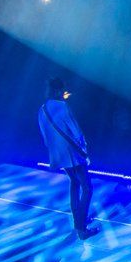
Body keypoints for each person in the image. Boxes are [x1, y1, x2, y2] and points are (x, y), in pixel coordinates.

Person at [38, 77, 94, 240]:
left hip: (58, 156)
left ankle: (79, 220)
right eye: (63, 90)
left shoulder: (42, 109)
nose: (64, 94)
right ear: (58, 90)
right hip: (73, 154)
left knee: (74, 183)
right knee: (87, 188)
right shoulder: (62, 106)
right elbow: (76, 132)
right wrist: (85, 152)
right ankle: (81, 228)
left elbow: (45, 138)